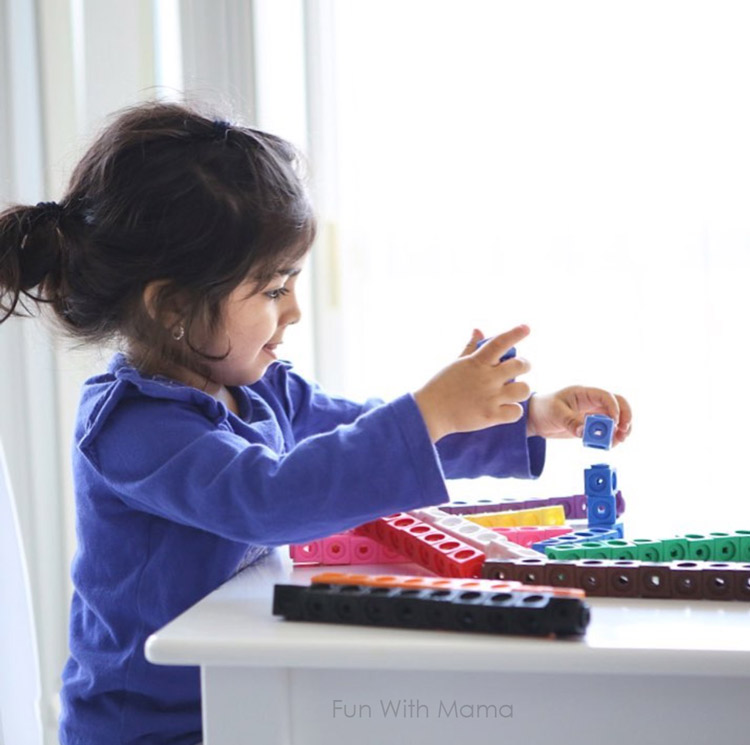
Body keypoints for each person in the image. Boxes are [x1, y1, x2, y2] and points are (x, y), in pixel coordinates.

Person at [0, 101, 632, 745]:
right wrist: (430, 412)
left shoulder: (260, 389)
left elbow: (357, 435)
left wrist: (525, 419)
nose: (295, 310)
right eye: (273, 289)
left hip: (244, 693)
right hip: (153, 730)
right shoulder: (132, 429)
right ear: (174, 307)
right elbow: (270, 497)